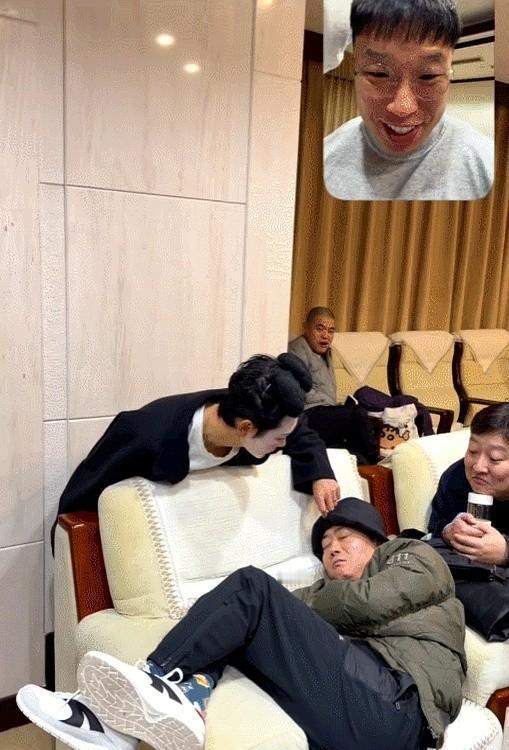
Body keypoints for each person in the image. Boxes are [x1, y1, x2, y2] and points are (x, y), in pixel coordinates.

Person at [18, 498, 466, 750]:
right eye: (325, 545)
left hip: (400, 710)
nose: (332, 549)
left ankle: (153, 680)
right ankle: (114, 723)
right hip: (358, 709)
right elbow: (260, 616)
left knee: (252, 588)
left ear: (377, 540)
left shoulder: (412, 556)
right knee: (237, 624)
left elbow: (370, 602)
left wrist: (286, 604)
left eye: (344, 538)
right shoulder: (328, 602)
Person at [51, 353, 339, 548]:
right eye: (279, 439)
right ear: (245, 428)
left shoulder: (261, 412)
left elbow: (301, 433)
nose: (284, 444)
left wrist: (321, 475)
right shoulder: (145, 434)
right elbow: (84, 494)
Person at [324, 0, 494, 201]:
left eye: (428, 76)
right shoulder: (326, 156)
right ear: (356, 69)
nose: (403, 108)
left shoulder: (486, 165)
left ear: (449, 73)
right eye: (379, 74)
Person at [289, 307, 379, 464]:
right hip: (307, 415)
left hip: (323, 415)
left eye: (331, 331)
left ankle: (365, 466)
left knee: (354, 452)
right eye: (320, 329)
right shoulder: (297, 348)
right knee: (356, 413)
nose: (326, 336)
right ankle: (376, 463)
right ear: (306, 327)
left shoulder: (327, 352)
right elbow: (297, 390)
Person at [428, 402, 509, 566]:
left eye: (495, 458)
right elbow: (435, 527)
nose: (478, 467)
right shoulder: (456, 477)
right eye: (473, 451)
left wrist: (505, 553)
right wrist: (448, 532)